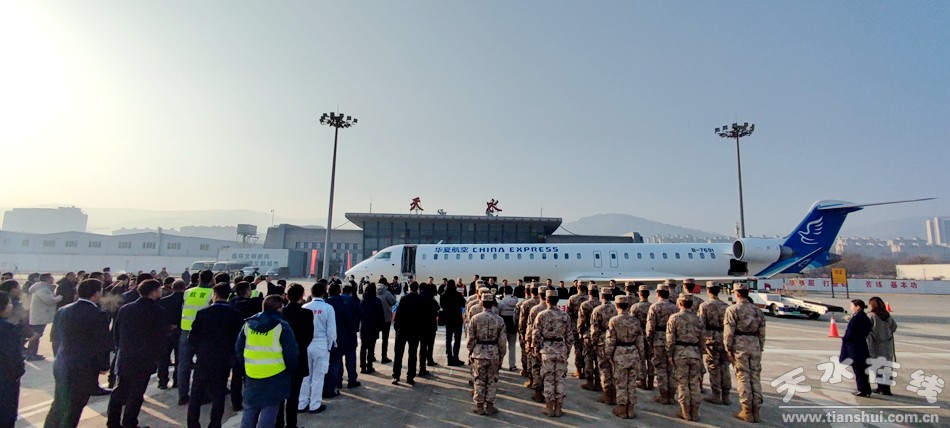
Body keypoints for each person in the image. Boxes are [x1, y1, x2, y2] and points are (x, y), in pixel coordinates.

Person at [44, 279, 112, 428]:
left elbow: (55, 337)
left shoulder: (63, 310)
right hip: (84, 366)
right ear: (96, 293)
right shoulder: (98, 314)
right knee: (75, 405)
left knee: (59, 402)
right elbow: (102, 343)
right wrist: (104, 365)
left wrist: (59, 357)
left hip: (62, 362)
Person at [106, 279, 166, 428]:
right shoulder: (158, 311)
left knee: (119, 391)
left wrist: (120, 347)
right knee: (136, 393)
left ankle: (113, 422)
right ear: (153, 292)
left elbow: (117, 331)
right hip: (145, 357)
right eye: (159, 290)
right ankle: (130, 422)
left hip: (125, 354)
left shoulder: (126, 308)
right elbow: (159, 337)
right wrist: (158, 357)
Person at [235, 295, 298, 428]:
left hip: (252, 373)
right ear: (279, 308)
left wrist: (247, 365)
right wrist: (290, 370)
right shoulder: (281, 326)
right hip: (275, 374)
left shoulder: (248, 324)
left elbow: (239, 349)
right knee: (269, 409)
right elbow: (291, 353)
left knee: (250, 407)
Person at [186, 283, 244, 428]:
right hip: (223, 359)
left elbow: (192, 337)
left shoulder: (203, 313)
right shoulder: (236, 314)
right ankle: (215, 423)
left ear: (214, 294)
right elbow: (238, 339)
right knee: (219, 393)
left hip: (204, 357)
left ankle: (193, 423)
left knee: (196, 393)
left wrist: (200, 350)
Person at [723, 283, 766, 423]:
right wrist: (760, 347)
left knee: (743, 377)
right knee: (755, 377)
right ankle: (756, 410)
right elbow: (762, 332)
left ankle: (746, 410)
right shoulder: (757, 310)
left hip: (740, 345)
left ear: (736, 293)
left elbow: (729, 332)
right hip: (754, 345)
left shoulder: (733, 309)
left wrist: (728, 348)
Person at [277, 284, 313, 428]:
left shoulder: (280, 313)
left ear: (286, 296)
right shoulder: (307, 313)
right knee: (294, 395)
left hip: (280, 358)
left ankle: (278, 424)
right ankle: (291, 425)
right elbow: (309, 337)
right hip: (298, 357)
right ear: (302, 296)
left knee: (280, 395)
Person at [533, 289, 573, 417]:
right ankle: (558, 408)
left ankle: (549, 408)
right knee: (560, 379)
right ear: (558, 300)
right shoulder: (565, 316)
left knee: (548, 379)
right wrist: (567, 350)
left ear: (546, 300)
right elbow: (569, 337)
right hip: (561, 350)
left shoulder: (541, 315)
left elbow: (536, 335)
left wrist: (536, 350)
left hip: (547, 350)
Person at [178, 269, 215, 406]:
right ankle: (202, 394)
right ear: (211, 279)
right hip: (202, 332)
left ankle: (182, 395)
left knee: (184, 364)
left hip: (186, 329)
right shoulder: (212, 293)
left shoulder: (188, 292)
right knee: (203, 364)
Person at [605, 295, 644, 419]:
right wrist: (641, 355)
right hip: (633, 352)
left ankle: (622, 409)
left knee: (621, 382)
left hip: (620, 353)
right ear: (627, 306)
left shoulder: (614, 321)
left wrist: (608, 355)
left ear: (617, 306)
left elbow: (611, 340)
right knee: (631, 383)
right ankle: (630, 409)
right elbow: (640, 340)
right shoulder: (635, 321)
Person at [666, 294, 704, 422]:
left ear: (680, 303)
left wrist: (669, 354)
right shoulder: (698, 319)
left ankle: (685, 411)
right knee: (694, 383)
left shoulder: (675, 318)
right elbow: (702, 339)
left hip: (680, 353)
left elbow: (670, 339)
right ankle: (695, 412)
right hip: (695, 352)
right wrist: (700, 353)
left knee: (682, 383)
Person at [299, 281, 335, 414]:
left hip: (306, 345)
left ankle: (301, 403)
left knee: (305, 376)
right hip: (321, 344)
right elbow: (331, 331)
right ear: (324, 293)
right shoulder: (328, 308)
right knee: (318, 377)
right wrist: (330, 346)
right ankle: (314, 404)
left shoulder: (304, 307)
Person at [467, 294, 506, 415]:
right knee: (492, 380)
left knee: (479, 379)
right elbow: (502, 341)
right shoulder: (499, 320)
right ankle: (490, 406)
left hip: (479, 352)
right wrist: (502, 355)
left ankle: (479, 406)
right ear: (493, 303)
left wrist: (470, 351)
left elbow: (470, 338)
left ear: (481, 303)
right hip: (494, 352)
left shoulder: (475, 318)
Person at [698, 281, 731, 405]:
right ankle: (726, 396)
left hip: (711, 339)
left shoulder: (705, 306)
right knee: (725, 367)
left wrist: (701, 342)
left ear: (708, 290)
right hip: (724, 338)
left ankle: (716, 395)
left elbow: (702, 325)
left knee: (713, 366)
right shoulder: (726, 306)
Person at [646, 284, 677, 405]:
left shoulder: (654, 307)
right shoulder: (675, 308)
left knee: (660, 368)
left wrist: (650, 341)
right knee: (672, 368)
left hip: (658, 340)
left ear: (658, 293)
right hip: (672, 340)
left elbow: (650, 328)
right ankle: (672, 396)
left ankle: (664, 395)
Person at [0, 292, 25, 428]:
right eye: (9, 303)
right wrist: (18, 372)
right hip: (5, 379)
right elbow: (13, 357)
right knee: (5, 414)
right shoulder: (7, 329)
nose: (11, 306)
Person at [392, 282, 424, 385]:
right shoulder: (420, 300)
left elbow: (398, 314)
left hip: (402, 330)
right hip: (414, 331)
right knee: (412, 355)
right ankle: (410, 377)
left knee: (398, 354)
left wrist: (397, 327)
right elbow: (422, 317)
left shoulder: (403, 298)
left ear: (410, 288)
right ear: (417, 289)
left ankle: (396, 376)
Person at [591, 287, 618, 406]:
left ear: (601, 296)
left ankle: (607, 395)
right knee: (615, 368)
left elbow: (594, 329)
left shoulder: (597, 310)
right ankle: (615, 395)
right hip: (615, 341)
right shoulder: (616, 309)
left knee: (604, 368)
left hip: (602, 341)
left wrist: (594, 343)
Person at [841, 299, 873, 398]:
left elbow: (850, 333)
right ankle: (866, 389)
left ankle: (862, 389)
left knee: (858, 369)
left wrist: (845, 338)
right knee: (862, 369)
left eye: (852, 306)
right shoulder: (864, 317)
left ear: (858, 307)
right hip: (861, 344)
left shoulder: (857, 318)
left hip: (855, 347)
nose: (851, 308)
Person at [157, 280, 186, 390]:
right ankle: (177, 381)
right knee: (180, 358)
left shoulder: (163, 301)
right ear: (183, 288)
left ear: (172, 288)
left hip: (166, 331)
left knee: (164, 358)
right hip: (180, 331)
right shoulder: (185, 301)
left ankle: (162, 381)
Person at [28, 273, 63, 361]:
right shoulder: (42, 289)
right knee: (36, 335)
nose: (53, 279)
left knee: (37, 335)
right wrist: (59, 298)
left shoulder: (42, 288)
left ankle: (32, 353)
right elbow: (49, 300)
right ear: (47, 279)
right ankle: (31, 354)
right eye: (51, 278)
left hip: (40, 316)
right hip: (39, 317)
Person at [867, 296, 897, 396]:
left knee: (878, 365)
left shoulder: (871, 315)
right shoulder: (887, 315)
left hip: (876, 344)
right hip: (887, 344)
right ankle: (887, 389)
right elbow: (894, 326)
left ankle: (881, 388)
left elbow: (866, 327)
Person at [577, 285, 602, 391]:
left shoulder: (585, 305)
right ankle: (598, 383)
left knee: (588, 359)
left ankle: (589, 382)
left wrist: (580, 333)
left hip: (588, 335)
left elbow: (581, 322)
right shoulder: (601, 304)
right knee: (599, 360)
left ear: (589, 292)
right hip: (600, 336)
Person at [629, 284, 653, 390]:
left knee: (641, 359)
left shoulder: (635, 307)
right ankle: (651, 383)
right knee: (651, 359)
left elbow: (632, 322)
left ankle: (643, 383)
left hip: (639, 335)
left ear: (639, 294)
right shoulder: (653, 306)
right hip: (651, 335)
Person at [566, 282, 589, 379]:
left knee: (578, 348)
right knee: (587, 349)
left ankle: (579, 371)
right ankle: (587, 370)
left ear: (578, 287)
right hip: (588, 326)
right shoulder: (589, 299)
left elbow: (568, 314)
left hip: (575, 325)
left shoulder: (572, 298)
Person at [439, 280, 466, 366]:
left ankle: (449, 359)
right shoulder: (458, 294)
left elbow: (442, 306)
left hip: (448, 320)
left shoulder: (443, 295)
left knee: (448, 340)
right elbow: (464, 304)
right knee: (457, 340)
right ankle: (455, 358)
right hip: (457, 319)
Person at [359, 283, 383, 374]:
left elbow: (359, 314)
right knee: (371, 347)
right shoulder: (377, 301)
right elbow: (381, 315)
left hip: (364, 326)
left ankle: (362, 366)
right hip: (374, 327)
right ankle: (369, 365)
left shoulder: (362, 300)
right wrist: (380, 327)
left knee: (363, 347)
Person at [418, 282, 440, 373]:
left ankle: (422, 366)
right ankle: (429, 360)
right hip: (431, 325)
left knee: (422, 346)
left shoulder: (418, 298)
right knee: (430, 344)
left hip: (421, 326)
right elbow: (437, 309)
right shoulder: (431, 299)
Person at [497, 286, 519, 371]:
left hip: (504, 327)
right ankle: (512, 365)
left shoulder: (501, 303)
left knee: (501, 347)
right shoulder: (517, 302)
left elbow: (497, 314)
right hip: (513, 327)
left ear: (504, 293)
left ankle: (499, 363)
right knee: (512, 347)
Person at [376, 282, 396, 365]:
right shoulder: (387, 293)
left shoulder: (375, 291)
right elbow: (393, 302)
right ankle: (384, 357)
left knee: (373, 338)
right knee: (385, 339)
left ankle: (371, 356)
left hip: (377, 319)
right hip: (386, 318)